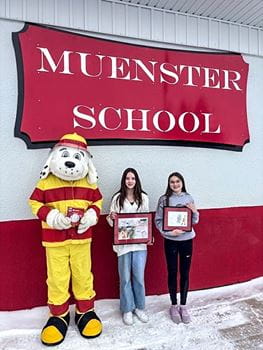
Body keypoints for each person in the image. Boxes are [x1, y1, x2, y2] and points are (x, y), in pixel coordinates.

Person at [29, 133, 103, 346]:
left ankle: (85, 312)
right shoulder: (46, 182)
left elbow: (97, 201)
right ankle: (58, 315)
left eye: (77, 156)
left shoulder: (89, 184)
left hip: (81, 240)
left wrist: (91, 215)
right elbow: (34, 202)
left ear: (85, 161)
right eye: (65, 155)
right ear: (54, 158)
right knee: (57, 278)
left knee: (83, 275)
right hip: (55, 241)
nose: (70, 161)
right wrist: (50, 216)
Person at [155, 172, 199, 324]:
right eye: (172, 182)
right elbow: (158, 221)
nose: (175, 184)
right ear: (169, 184)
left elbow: (195, 220)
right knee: (172, 272)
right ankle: (173, 305)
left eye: (177, 181)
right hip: (170, 241)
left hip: (187, 241)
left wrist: (194, 211)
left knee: (185, 273)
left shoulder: (189, 197)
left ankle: (183, 306)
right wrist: (169, 232)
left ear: (182, 182)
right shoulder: (164, 199)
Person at [107, 168, 149, 326]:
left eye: (133, 178)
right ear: (123, 181)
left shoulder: (144, 198)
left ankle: (139, 307)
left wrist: (148, 235)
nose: (130, 181)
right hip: (123, 246)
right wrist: (111, 218)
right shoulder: (117, 198)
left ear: (136, 180)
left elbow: (146, 220)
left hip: (139, 245)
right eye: (127, 178)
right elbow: (112, 222)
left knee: (138, 277)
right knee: (124, 278)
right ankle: (127, 309)